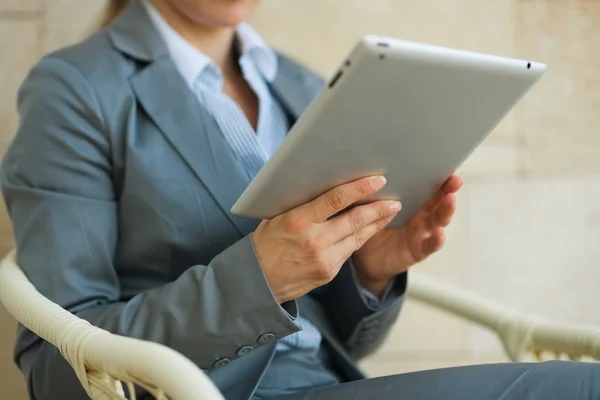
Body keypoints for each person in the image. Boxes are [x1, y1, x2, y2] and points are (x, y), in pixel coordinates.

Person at [1, 0, 598, 399]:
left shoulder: (304, 86)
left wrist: (369, 273)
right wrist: (258, 279)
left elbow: (337, 339)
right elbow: (56, 370)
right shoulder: (75, 90)